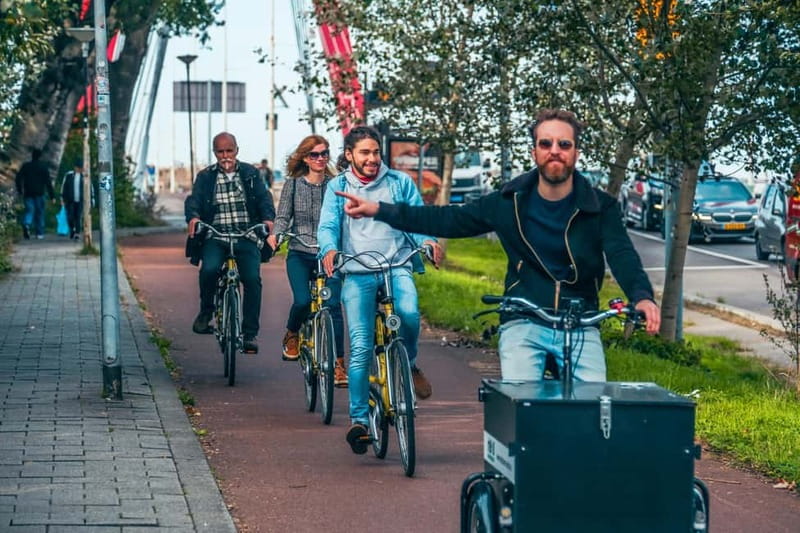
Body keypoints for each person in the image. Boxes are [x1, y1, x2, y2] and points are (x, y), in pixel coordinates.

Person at [335, 109, 660, 383]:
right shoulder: (510, 202)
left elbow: (621, 253)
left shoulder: (600, 206)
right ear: (534, 151)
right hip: (524, 320)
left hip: (580, 321)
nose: (555, 150)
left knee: (593, 410)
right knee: (520, 405)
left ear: (575, 151)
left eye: (564, 143)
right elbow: (450, 219)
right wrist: (381, 210)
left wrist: (642, 297)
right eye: (545, 143)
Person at [317, 125, 443, 455]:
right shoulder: (337, 186)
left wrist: (428, 241)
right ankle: (359, 421)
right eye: (365, 153)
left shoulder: (399, 183)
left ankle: (409, 364)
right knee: (360, 346)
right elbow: (328, 225)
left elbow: (416, 220)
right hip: (358, 273)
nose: (372, 158)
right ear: (349, 156)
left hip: (396, 267)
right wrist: (329, 249)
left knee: (410, 315)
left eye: (376, 152)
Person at [266, 135, 348, 388]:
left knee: (333, 306)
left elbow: (344, 219)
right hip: (300, 252)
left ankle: (338, 365)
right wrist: (276, 235)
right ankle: (292, 334)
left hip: (329, 255)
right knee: (302, 301)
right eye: (314, 155)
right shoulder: (292, 184)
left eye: (324, 153)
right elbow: (282, 217)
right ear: (304, 157)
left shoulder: (336, 185)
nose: (321, 158)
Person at [185, 132, 275, 354]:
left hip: (246, 235)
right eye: (220, 151)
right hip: (216, 236)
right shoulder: (205, 176)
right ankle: (207, 312)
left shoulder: (251, 173)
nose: (225, 156)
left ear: (237, 150)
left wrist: (268, 220)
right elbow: (194, 201)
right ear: (215, 153)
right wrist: (194, 217)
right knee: (209, 270)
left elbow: (264, 199)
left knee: (252, 280)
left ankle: (250, 334)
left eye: (229, 150)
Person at [15, 148, 55, 240]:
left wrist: (20, 190)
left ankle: (27, 224)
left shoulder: (26, 166)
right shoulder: (43, 167)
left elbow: (18, 178)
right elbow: (48, 182)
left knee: (29, 210)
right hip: (40, 193)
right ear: (40, 157)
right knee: (40, 213)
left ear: (32, 156)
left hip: (28, 193)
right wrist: (52, 196)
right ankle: (39, 233)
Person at [60, 158, 85, 240]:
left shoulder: (84, 176)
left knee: (78, 216)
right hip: (70, 200)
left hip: (80, 200)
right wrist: (62, 198)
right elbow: (64, 187)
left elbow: (89, 188)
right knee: (70, 216)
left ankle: (77, 233)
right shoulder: (69, 175)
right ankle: (72, 229)